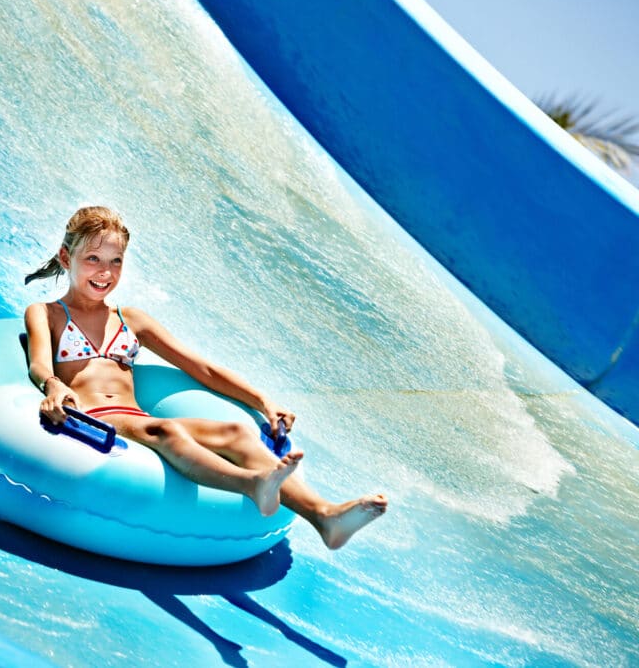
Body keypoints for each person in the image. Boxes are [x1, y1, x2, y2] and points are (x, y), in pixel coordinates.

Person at [24, 206, 387, 548]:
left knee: (236, 432)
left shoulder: (131, 320)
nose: (105, 273)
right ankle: (252, 484)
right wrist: (54, 385)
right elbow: (39, 363)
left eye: (115, 261)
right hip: (95, 418)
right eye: (93, 260)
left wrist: (264, 402)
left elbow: (202, 368)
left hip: (136, 416)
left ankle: (325, 516)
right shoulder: (47, 314)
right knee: (167, 431)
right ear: (66, 258)